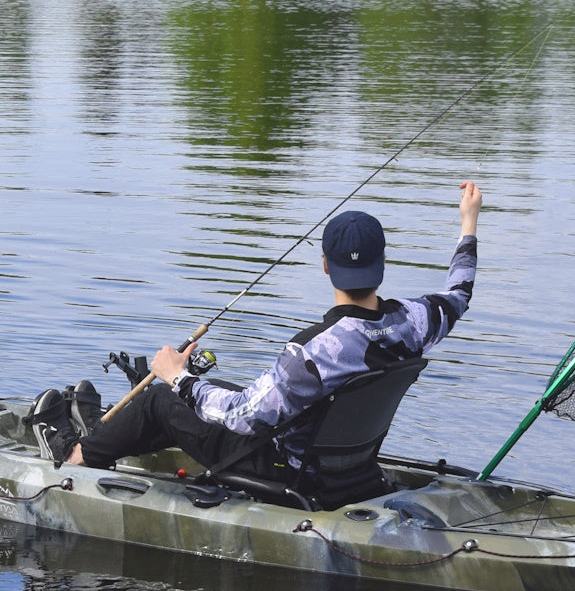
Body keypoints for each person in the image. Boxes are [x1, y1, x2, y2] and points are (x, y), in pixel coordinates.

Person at [36, 181, 482, 480]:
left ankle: (76, 458)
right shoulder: (413, 321)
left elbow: (243, 417)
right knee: (192, 395)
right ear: (383, 263)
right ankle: (105, 435)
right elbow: (458, 293)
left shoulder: (312, 353)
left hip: (282, 467)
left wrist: (178, 376)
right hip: (346, 464)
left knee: (159, 397)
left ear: (324, 266)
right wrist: (468, 223)